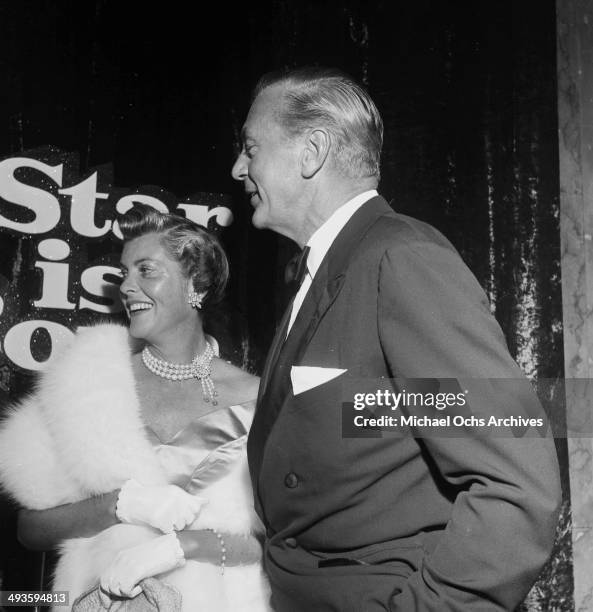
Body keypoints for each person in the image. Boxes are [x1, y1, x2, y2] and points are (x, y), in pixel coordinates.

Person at [231, 66, 562, 611]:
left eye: (251, 147)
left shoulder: (401, 258)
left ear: (311, 151)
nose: (239, 167)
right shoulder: (319, 274)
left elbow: (516, 483)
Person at [0, 204, 271, 611]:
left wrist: (181, 547)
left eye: (146, 270)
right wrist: (118, 506)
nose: (126, 286)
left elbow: (274, 545)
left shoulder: (255, 398)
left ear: (195, 281)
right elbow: (29, 529)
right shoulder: (87, 381)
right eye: (124, 272)